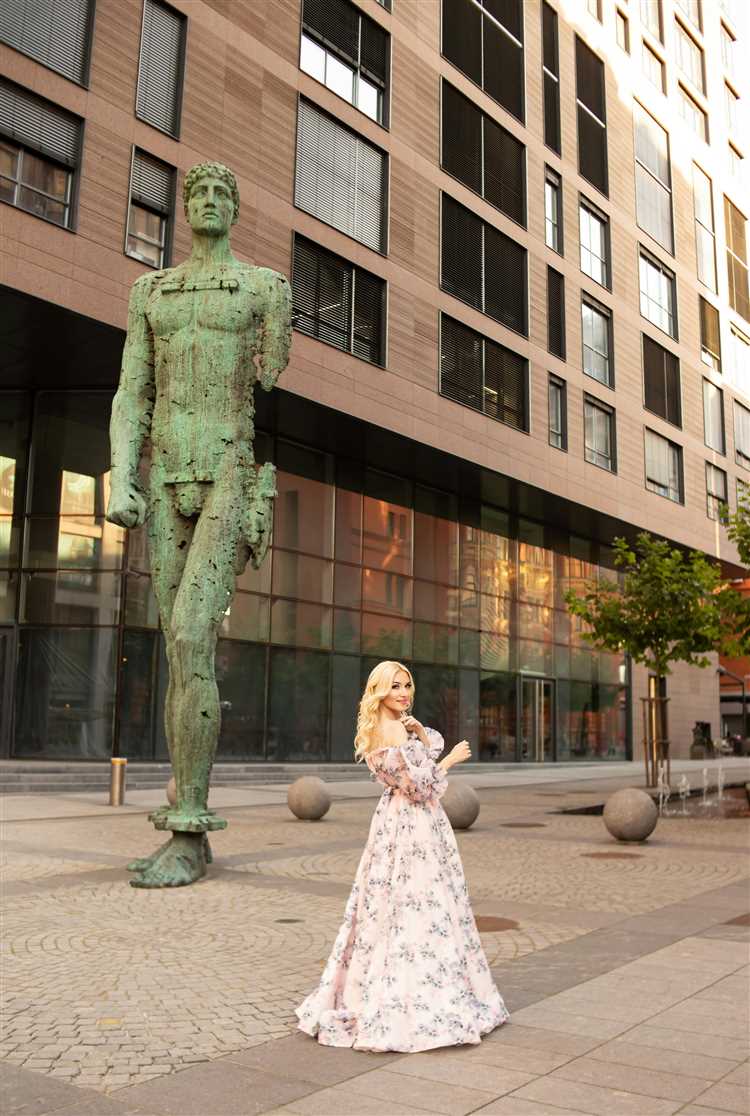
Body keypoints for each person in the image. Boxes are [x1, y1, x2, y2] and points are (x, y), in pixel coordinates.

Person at [106, 162, 291, 887]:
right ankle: (187, 820)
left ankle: (188, 832)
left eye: (223, 193)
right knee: (180, 654)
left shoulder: (263, 288)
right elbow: (132, 391)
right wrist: (122, 473)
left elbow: (272, 373)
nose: (210, 201)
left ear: (237, 209)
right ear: (186, 208)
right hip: (165, 476)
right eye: (199, 193)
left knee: (190, 633)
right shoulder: (149, 292)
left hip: (227, 473)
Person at [295, 660, 509, 1052]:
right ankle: (413, 999)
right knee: (419, 903)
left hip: (402, 824)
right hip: (411, 823)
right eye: (395, 686)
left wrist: (421, 738)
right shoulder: (388, 730)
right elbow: (419, 787)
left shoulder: (393, 727)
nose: (404, 693)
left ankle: (408, 984)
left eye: (407, 685)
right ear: (380, 691)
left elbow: (419, 768)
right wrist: (449, 760)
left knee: (398, 905)